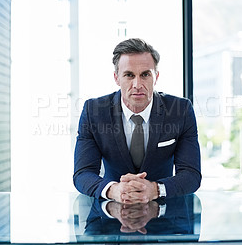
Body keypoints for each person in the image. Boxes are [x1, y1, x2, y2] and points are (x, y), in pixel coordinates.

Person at [73, 38, 201, 204]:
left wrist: (154, 189)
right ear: (116, 78)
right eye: (129, 75)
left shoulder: (180, 111)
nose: (137, 84)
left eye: (145, 74)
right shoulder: (94, 111)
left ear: (156, 77)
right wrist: (114, 190)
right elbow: (82, 173)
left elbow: (191, 174)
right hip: (109, 214)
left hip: (165, 214)